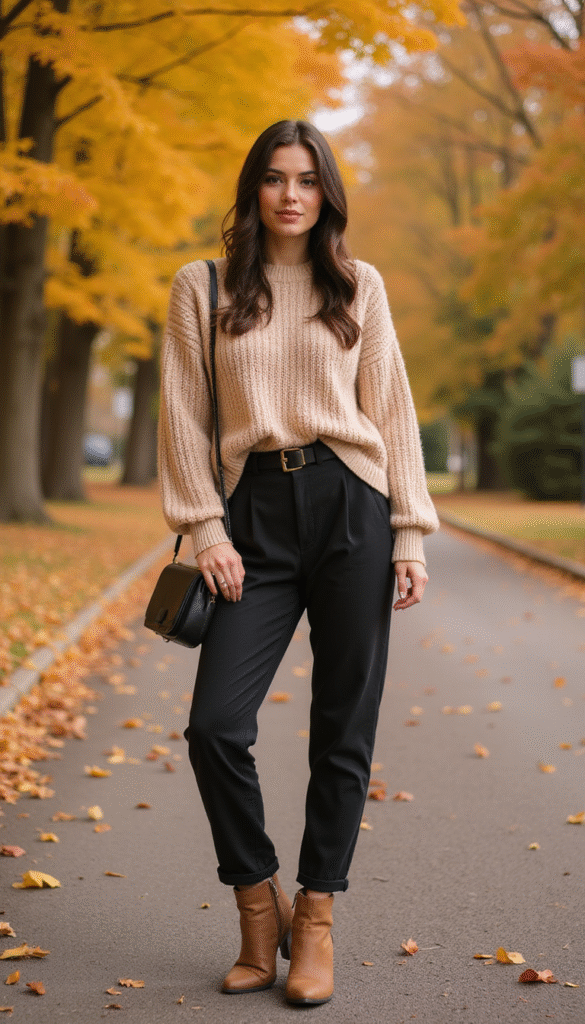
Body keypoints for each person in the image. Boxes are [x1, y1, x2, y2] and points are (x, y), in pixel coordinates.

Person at [157, 119, 440, 1006]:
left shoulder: (359, 284)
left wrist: (409, 532)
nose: (290, 194)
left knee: (342, 727)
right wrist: (206, 529)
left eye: (307, 179)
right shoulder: (201, 288)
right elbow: (182, 414)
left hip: (351, 502)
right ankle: (257, 904)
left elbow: (390, 409)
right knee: (215, 727)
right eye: (275, 178)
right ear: (254, 189)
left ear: (326, 194)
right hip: (253, 519)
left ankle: (315, 915)